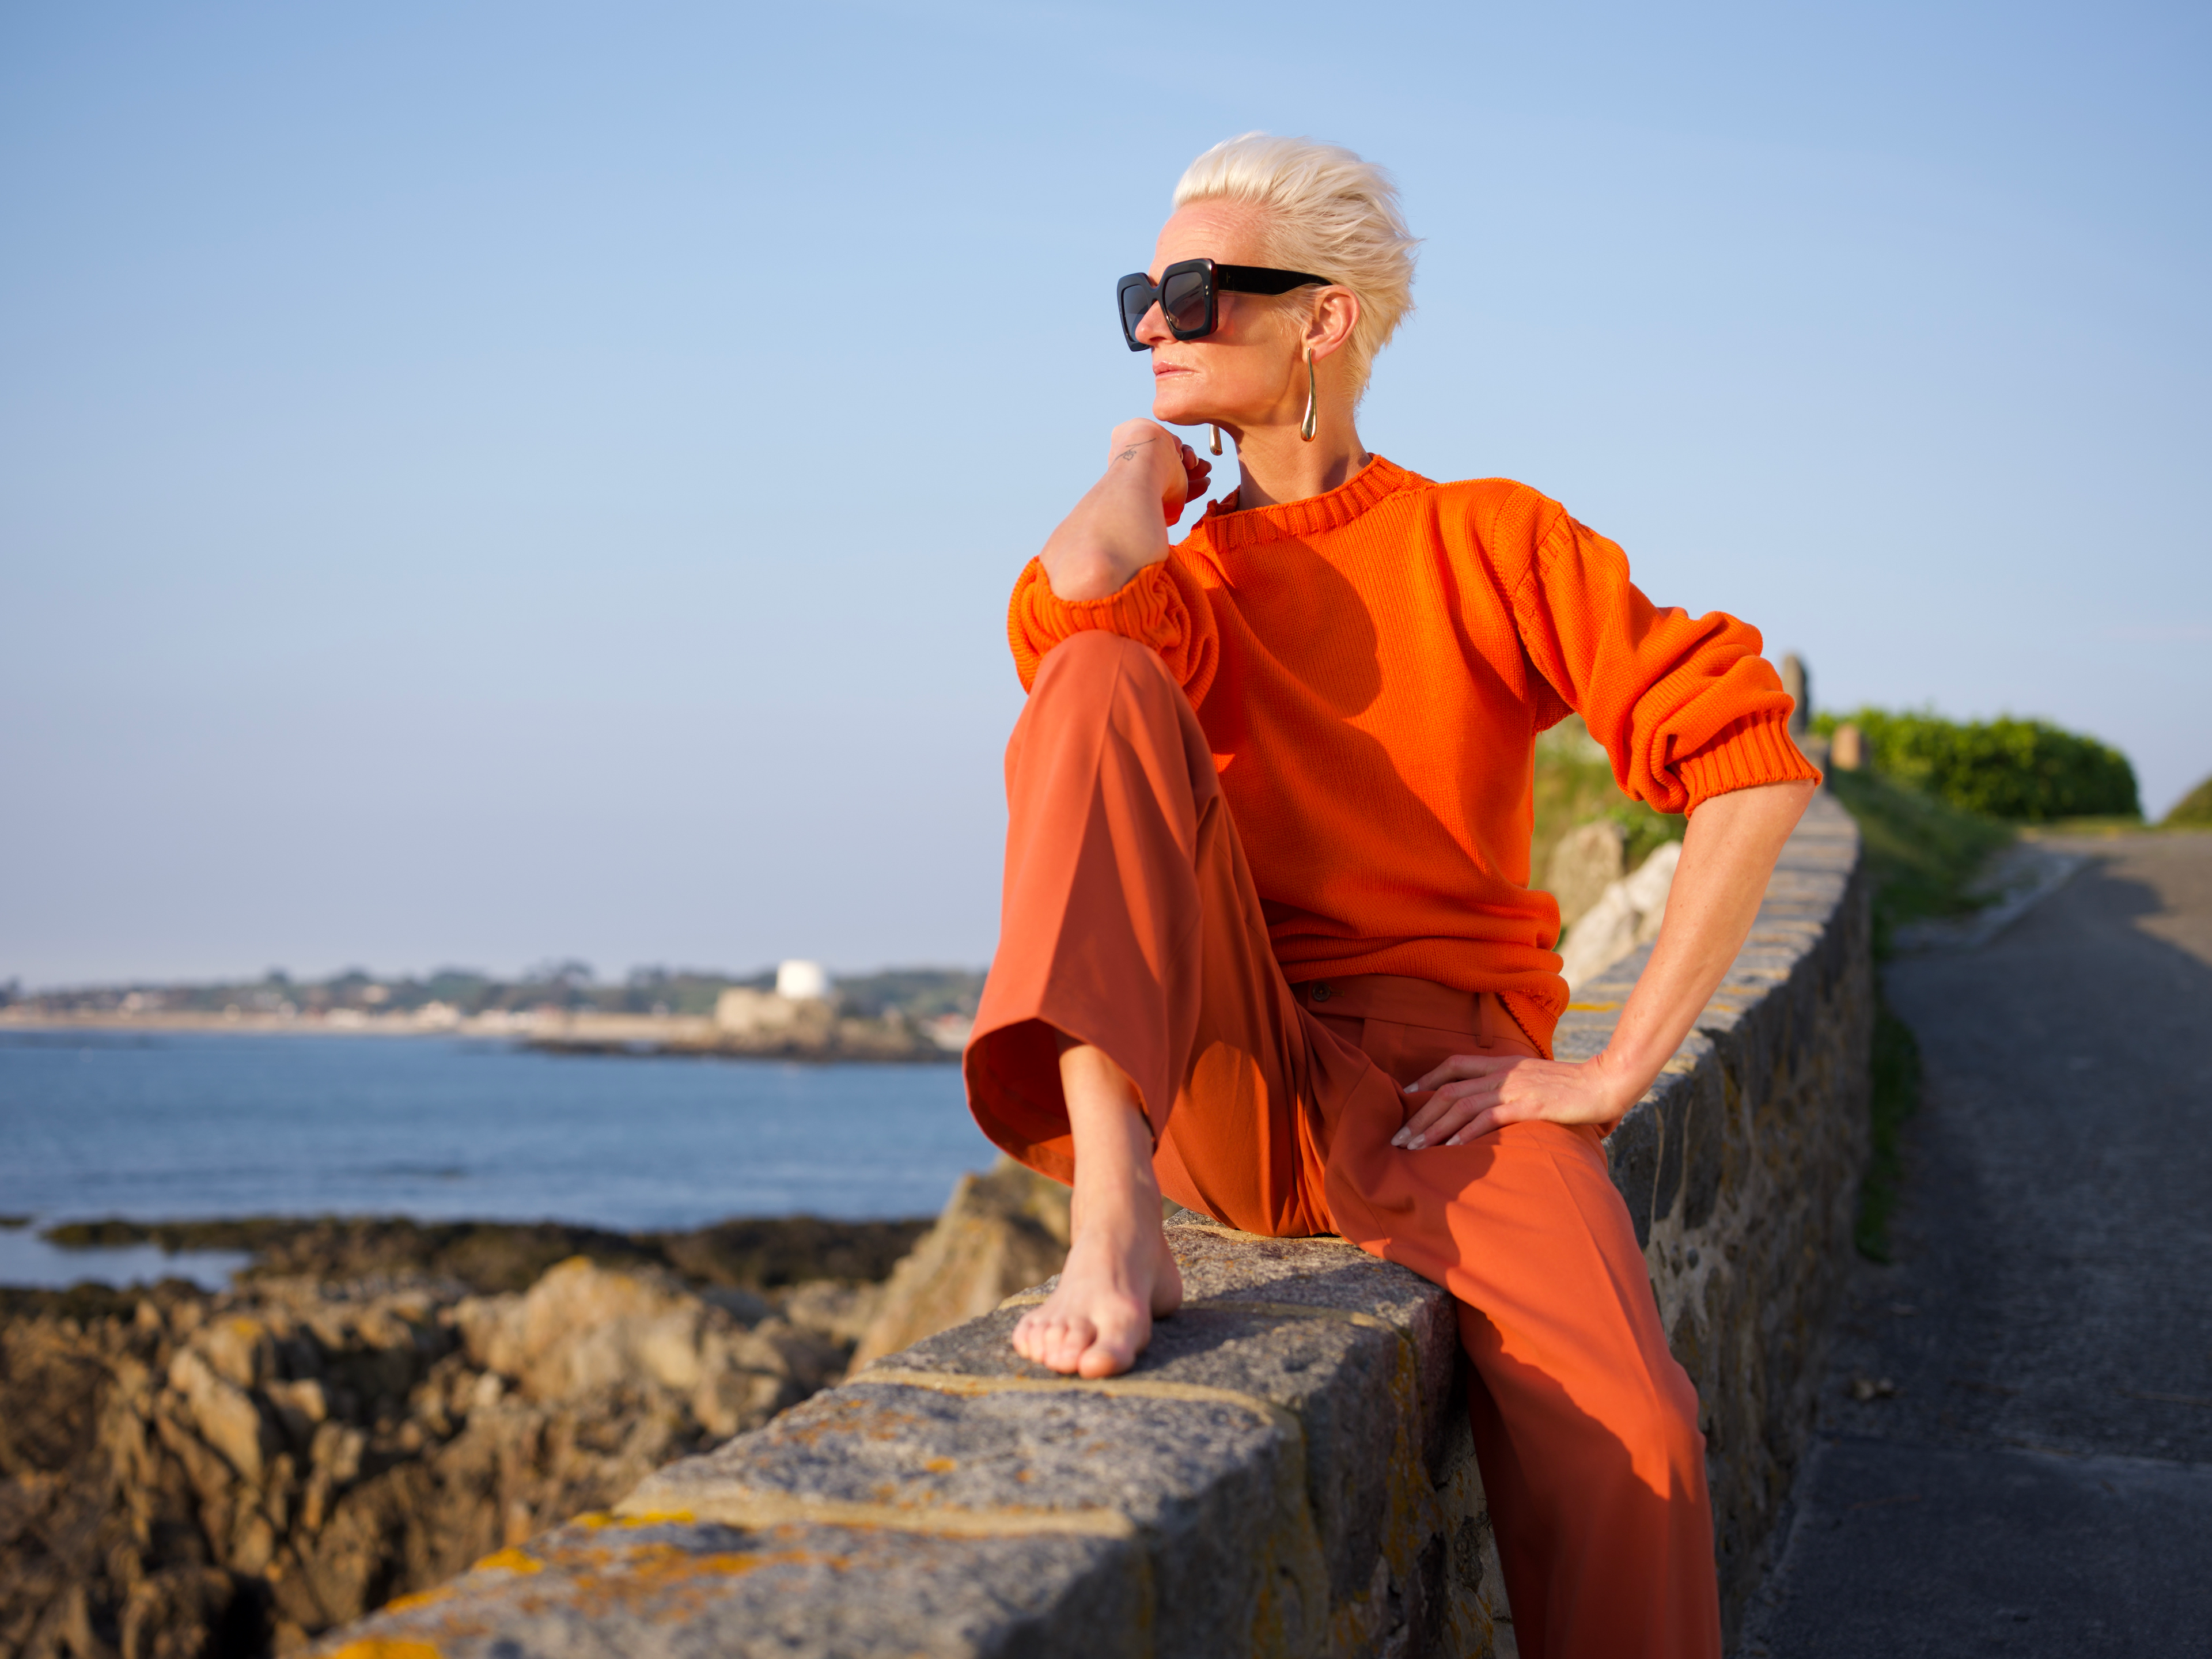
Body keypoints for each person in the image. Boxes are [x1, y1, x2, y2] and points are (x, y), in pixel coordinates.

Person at [961, 132, 1819, 1659]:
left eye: (1193, 291)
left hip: (1451, 1089)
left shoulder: (1485, 539)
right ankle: (1114, 1219)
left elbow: (1752, 764)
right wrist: (1137, 466)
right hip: (1232, 1064)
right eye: (1137, 298)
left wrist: (1617, 1071)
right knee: (1094, 682)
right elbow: (1078, 597)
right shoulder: (1187, 585)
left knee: (1640, 1439)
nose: (1155, 323)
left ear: (1325, 317)